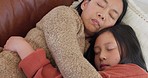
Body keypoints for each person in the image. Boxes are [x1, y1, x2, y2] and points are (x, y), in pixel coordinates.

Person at [3, 0, 128, 78]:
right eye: (100, 4)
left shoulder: (92, 51)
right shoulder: (64, 15)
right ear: (85, 4)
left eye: (112, 15)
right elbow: (68, 58)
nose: (103, 15)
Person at [4, 24, 148, 78]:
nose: (102, 56)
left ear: (129, 47)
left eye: (110, 48)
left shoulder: (136, 73)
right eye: (96, 52)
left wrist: (23, 48)